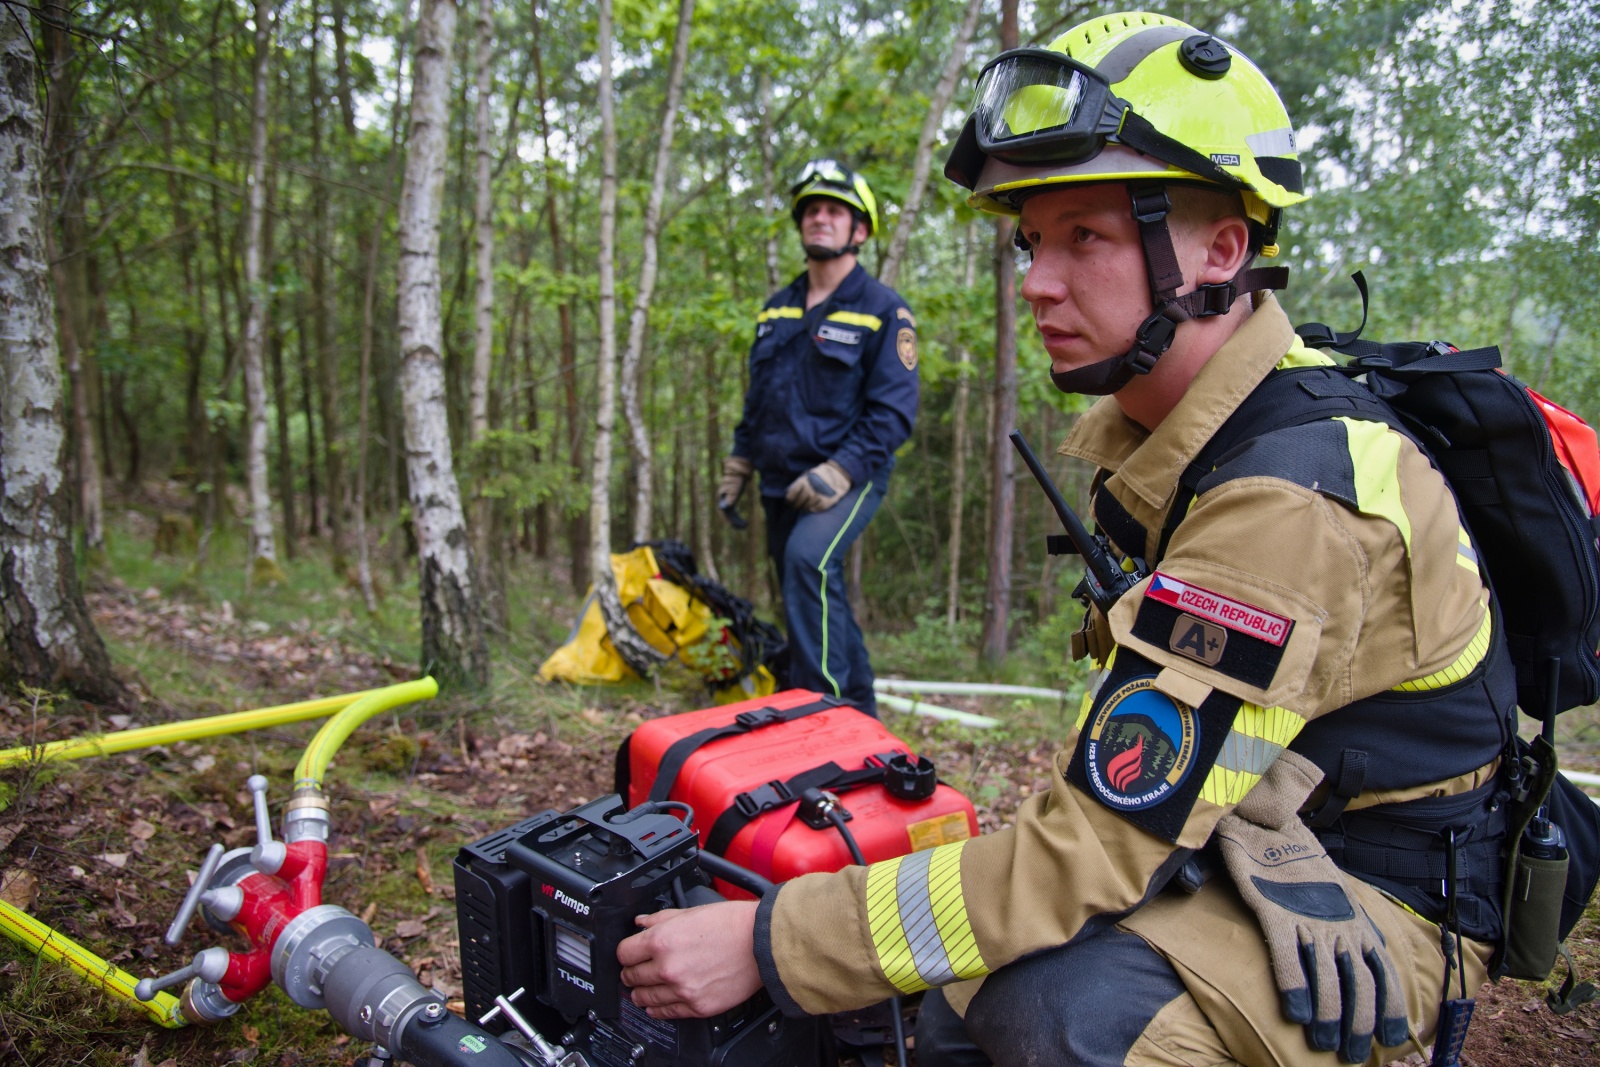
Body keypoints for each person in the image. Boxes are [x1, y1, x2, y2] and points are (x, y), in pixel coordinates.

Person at [620, 14, 1511, 1065]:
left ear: (1222, 251)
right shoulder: (1173, 439)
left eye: (1084, 236)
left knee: (1058, 1021)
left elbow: (1093, 840)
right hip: (1249, 811)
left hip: (1380, 886)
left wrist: (772, 939)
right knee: (939, 1000)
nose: (1036, 281)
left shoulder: (1286, 497)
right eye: (1033, 241)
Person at [715, 159, 919, 718]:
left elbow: (894, 412)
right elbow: (761, 397)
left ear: (859, 230)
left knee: (809, 562)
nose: (819, 218)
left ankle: (818, 713)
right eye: (811, 210)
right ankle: (863, 717)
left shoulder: (884, 310)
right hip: (781, 481)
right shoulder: (777, 307)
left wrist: (840, 470)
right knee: (810, 594)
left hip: (849, 476)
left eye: (834, 210)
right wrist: (739, 461)